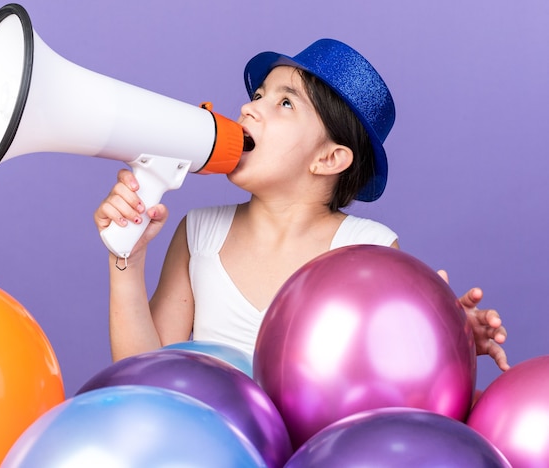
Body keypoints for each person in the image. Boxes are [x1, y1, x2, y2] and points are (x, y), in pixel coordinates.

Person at [94, 39, 509, 371]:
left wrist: (444, 337)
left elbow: (387, 376)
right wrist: (126, 257)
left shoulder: (369, 250)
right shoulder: (199, 232)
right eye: (258, 94)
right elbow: (144, 378)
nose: (248, 108)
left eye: (285, 102)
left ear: (329, 159)